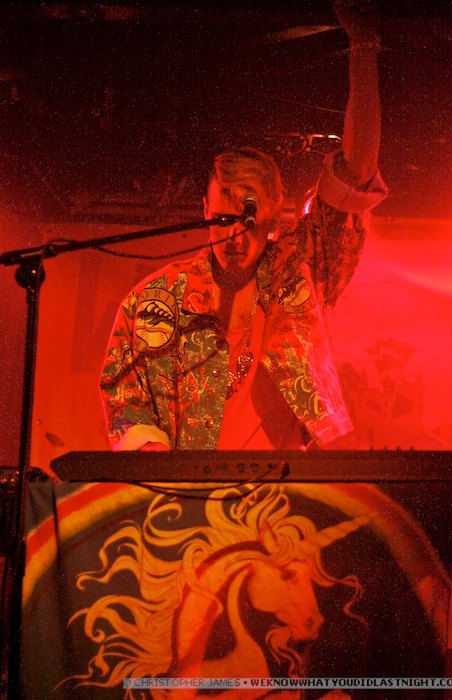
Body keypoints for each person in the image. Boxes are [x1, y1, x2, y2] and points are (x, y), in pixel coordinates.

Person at [100, 0, 387, 452]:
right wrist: (153, 456)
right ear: (204, 209)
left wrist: (364, 49)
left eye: (248, 220)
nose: (234, 235)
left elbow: (357, 170)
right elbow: (125, 400)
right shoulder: (158, 298)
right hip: (186, 488)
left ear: (272, 216)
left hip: (281, 486)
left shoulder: (299, 273)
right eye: (222, 219)